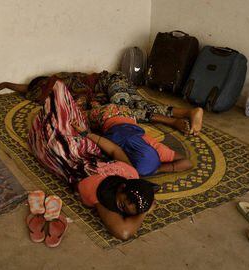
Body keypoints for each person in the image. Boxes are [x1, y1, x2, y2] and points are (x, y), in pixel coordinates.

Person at [28, 80, 157, 240]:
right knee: (62, 95)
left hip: (67, 158)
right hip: (87, 150)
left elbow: (123, 233)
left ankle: (46, 114)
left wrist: (143, 211)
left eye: (132, 208)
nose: (128, 206)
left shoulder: (102, 196)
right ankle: (48, 100)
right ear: (124, 185)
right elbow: (115, 150)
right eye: (129, 200)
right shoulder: (131, 173)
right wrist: (86, 134)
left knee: (54, 133)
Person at [0, 71, 204, 136]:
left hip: (112, 81)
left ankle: (172, 122)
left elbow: (27, 87)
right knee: (134, 105)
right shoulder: (51, 93)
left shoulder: (60, 81)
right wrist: (2, 85)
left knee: (123, 107)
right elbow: (25, 89)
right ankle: (188, 112)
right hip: (107, 93)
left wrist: (5, 84)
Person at [71, 101, 193, 177]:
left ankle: (96, 102)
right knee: (81, 115)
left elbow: (187, 163)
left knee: (98, 107)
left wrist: (157, 167)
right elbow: (109, 147)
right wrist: (158, 170)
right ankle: (92, 103)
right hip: (106, 114)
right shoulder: (116, 144)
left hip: (128, 114)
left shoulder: (157, 149)